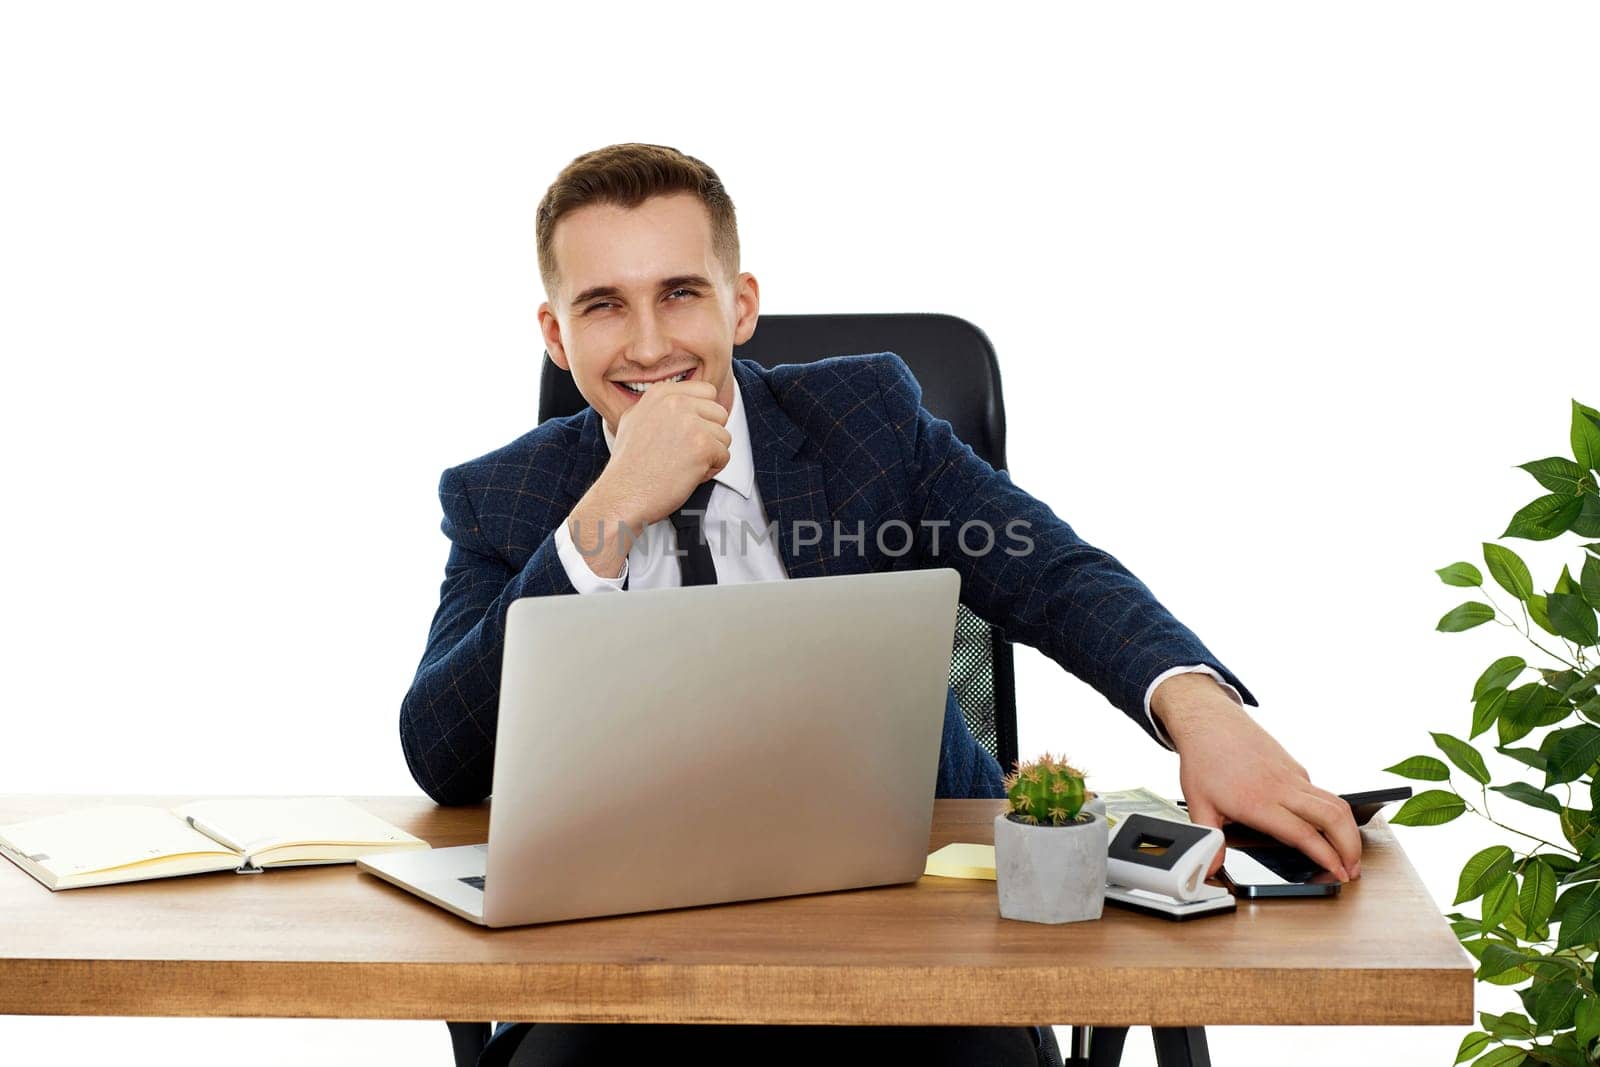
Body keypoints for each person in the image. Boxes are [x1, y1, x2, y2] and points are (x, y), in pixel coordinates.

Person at [398, 143, 1362, 1066]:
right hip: (624, 974)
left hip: (915, 948)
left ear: (741, 306)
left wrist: (1203, 714)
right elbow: (441, 751)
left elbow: (1049, 569)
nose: (649, 342)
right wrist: (607, 513)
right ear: (557, 335)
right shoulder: (504, 498)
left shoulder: (868, 421)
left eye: (680, 293)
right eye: (605, 305)